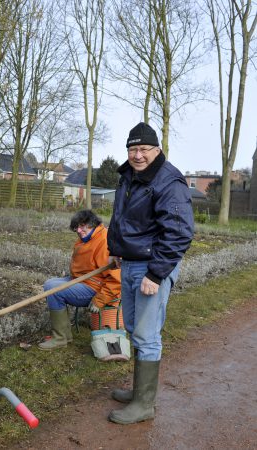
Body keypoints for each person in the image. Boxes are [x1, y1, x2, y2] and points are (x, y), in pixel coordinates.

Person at [107, 122, 194, 424]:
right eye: (133, 149)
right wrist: (117, 249)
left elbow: (179, 233)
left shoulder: (168, 181)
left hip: (152, 265)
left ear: (157, 150)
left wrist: (155, 275)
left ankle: (145, 404)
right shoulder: (128, 177)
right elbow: (122, 219)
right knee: (132, 326)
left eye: (144, 149)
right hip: (131, 262)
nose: (138, 155)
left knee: (146, 334)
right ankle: (139, 391)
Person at [38, 210, 122, 350]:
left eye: (82, 226)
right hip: (83, 280)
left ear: (92, 224)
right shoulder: (87, 238)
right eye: (76, 227)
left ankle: (60, 338)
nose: (79, 230)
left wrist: (99, 300)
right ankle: (65, 335)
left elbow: (116, 279)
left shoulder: (104, 241)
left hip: (95, 288)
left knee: (53, 291)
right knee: (49, 284)